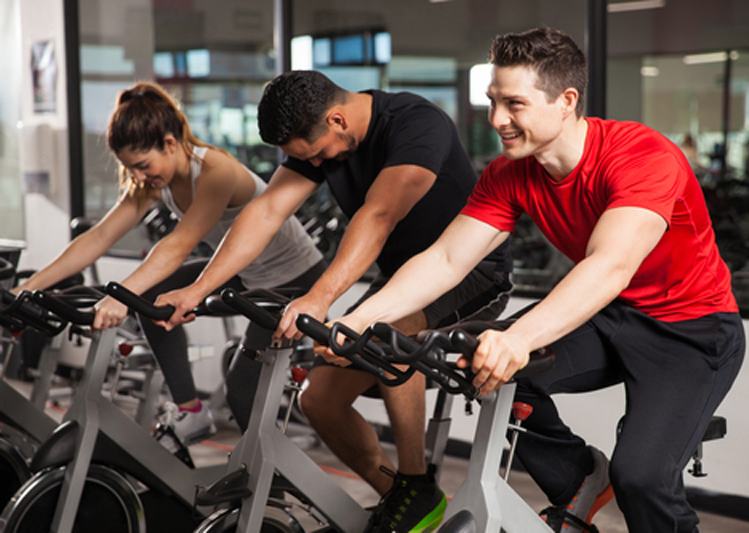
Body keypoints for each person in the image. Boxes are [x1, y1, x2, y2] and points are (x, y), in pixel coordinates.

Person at [334, 27, 745, 533]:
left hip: (692, 330)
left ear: (566, 100)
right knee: (487, 370)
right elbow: (444, 259)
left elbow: (610, 266)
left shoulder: (641, 155)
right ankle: (578, 478)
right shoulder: (511, 173)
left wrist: (519, 338)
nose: (497, 120)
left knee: (640, 478)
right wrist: (358, 317)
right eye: (492, 102)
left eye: (514, 104)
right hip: (610, 316)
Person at [155, 70, 513, 533]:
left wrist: (319, 298)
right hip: (401, 281)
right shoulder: (321, 137)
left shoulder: (417, 124)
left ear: (338, 119)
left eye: (319, 154)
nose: (320, 163)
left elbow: (379, 215)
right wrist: (197, 289)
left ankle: (416, 482)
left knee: (391, 338)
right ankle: (402, 501)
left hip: (473, 275)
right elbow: (265, 211)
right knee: (318, 399)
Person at [14, 81, 326, 448]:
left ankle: (269, 489)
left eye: (143, 165)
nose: (140, 177)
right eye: (131, 169)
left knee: (242, 391)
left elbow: (178, 246)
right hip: (242, 272)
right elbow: (98, 238)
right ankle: (191, 412)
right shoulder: (150, 181)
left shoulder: (216, 172)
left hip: (294, 279)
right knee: (151, 299)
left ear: (170, 143)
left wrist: (120, 296)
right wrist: (27, 288)